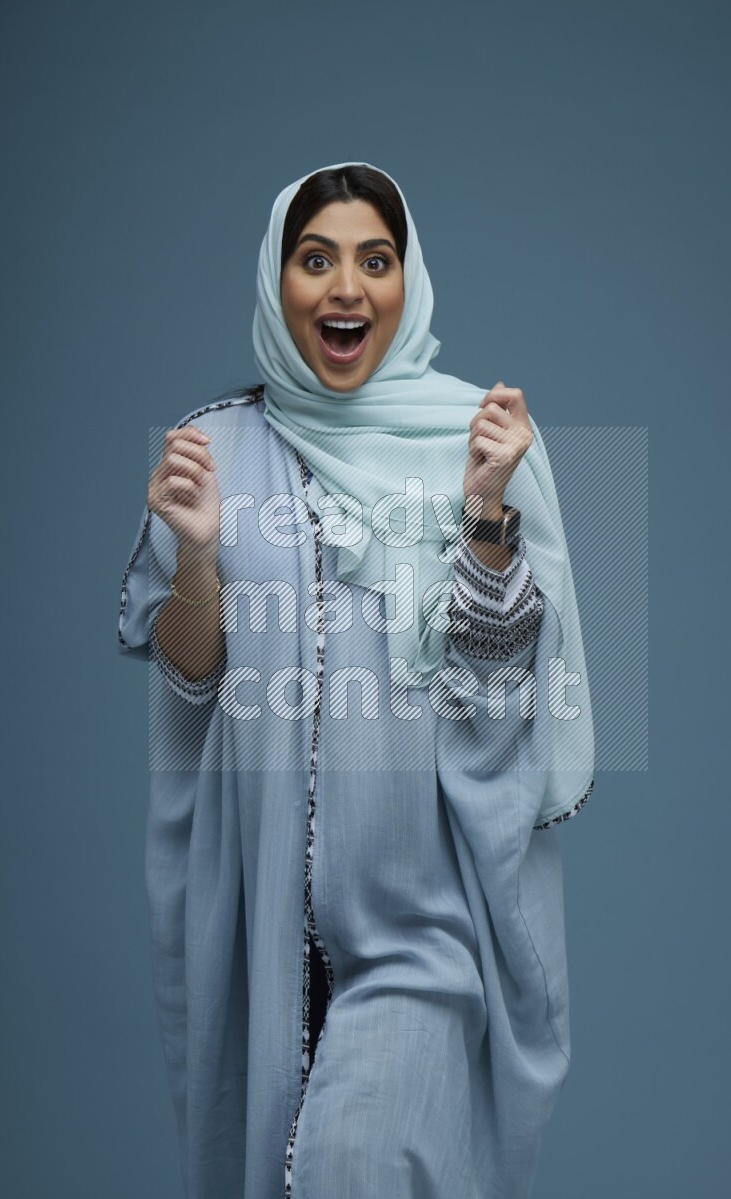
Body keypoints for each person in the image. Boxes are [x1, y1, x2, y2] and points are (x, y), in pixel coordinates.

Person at [117, 161, 595, 1199]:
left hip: (420, 931)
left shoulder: (469, 439)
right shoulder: (218, 447)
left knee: (350, 1165)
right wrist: (195, 555)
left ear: (406, 280)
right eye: (315, 258)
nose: (345, 287)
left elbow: (496, 688)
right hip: (257, 935)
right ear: (275, 280)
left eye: (374, 261)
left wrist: (480, 508)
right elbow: (193, 682)